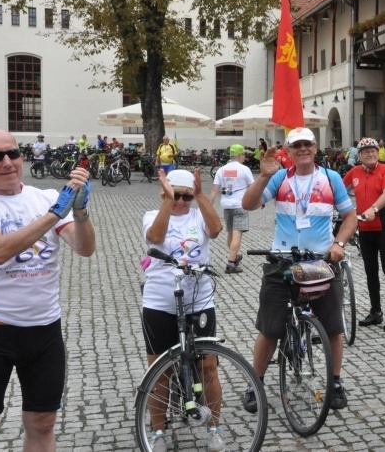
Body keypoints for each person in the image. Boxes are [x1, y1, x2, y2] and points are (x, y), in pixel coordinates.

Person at [0, 128, 95, 450]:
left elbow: (84, 248)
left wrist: (79, 213)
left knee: (43, 423)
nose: (7, 162)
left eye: (13, 153)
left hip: (43, 330)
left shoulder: (45, 197)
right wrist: (54, 214)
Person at [242, 127, 357, 411]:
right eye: (297, 145)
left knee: (332, 327)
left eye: (307, 144)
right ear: (289, 151)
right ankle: (254, 383)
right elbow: (248, 203)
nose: (303, 149)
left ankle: (336, 381)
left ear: (315, 148)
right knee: (270, 329)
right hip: (282, 260)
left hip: (321, 261)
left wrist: (339, 242)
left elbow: (350, 215)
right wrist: (265, 175)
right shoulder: (280, 177)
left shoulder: (330, 179)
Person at [141, 168, 224, 451]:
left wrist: (200, 195)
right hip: (160, 301)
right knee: (159, 370)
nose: (180, 202)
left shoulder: (198, 215)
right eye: (176, 195)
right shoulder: (152, 215)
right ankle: (158, 432)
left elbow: (215, 230)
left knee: (208, 366)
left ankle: (214, 429)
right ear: (165, 193)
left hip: (199, 299)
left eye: (185, 196)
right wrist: (167, 199)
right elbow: (154, 237)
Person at [343, 137, 385, 331]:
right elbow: (340, 191)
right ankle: (375, 312)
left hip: (384, 228)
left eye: (373, 150)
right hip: (365, 230)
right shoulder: (355, 172)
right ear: (359, 156)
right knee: (370, 272)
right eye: (366, 151)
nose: (370, 153)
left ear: (378, 153)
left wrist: (373, 209)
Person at [209, 144, 254, 274]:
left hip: (226, 205)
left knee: (230, 232)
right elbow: (252, 187)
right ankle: (231, 263)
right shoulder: (245, 169)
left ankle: (234, 256)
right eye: (244, 155)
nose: (244, 157)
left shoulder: (221, 170)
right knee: (237, 233)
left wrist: (208, 207)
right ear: (239, 155)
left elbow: (214, 190)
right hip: (240, 205)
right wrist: (259, 201)